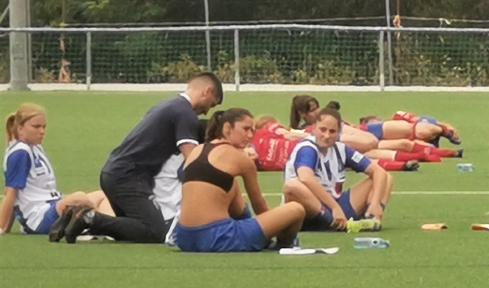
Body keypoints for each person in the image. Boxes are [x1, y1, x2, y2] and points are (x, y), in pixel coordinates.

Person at [68, 73, 222, 243]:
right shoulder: (185, 114)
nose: (207, 110)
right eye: (212, 104)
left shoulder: (166, 105)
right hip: (129, 177)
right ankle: (88, 218)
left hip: (113, 172)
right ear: (207, 91)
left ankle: (73, 218)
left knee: (131, 229)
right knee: (156, 232)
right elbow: (193, 159)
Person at [173, 109, 306, 253]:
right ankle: (282, 244)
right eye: (245, 129)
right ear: (227, 128)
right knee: (295, 209)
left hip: (183, 237)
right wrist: (274, 226)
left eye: (253, 131)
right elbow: (259, 206)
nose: (249, 136)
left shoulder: (197, 150)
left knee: (230, 185)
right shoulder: (241, 158)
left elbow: (235, 207)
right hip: (218, 237)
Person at [0, 104, 112, 239]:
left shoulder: (35, 148)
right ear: (20, 128)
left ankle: (109, 230)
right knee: (79, 198)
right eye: (36, 127)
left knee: (104, 194)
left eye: (44, 127)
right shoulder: (20, 153)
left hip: (52, 206)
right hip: (38, 218)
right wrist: (2, 227)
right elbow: (11, 193)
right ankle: (94, 226)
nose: (42, 131)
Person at [282, 107, 394, 231]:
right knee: (292, 186)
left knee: (386, 178)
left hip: (335, 205)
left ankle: (371, 219)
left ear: (339, 133)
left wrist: (375, 203)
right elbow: (306, 178)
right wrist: (335, 208)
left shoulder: (341, 149)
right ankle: (333, 223)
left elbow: (378, 171)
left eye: (332, 131)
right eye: (322, 130)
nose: (326, 135)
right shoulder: (308, 148)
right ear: (314, 128)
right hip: (310, 209)